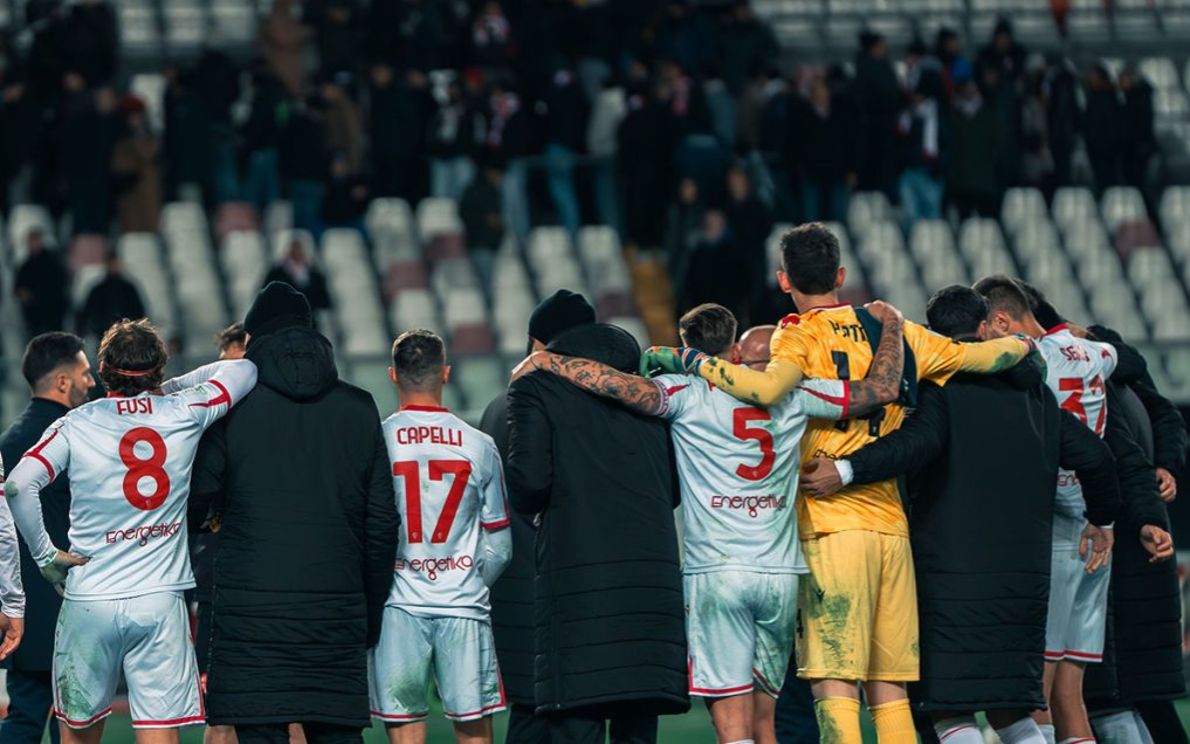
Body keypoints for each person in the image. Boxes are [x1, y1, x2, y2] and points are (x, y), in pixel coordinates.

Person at [641, 223, 1033, 743]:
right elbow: (987, 356)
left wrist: (687, 359)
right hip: (890, 528)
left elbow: (766, 389)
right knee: (890, 691)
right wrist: (1027, 342)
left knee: (836, 688)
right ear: (841, 275)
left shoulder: (795, 335)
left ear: (784, 280)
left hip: (828, 526)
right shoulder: (902, 333)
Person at [515, 302, 907, 744]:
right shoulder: (798, 393)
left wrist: (547, 361)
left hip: (717, 574)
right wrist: (892, 324)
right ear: (735, 351)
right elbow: (882, 389)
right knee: (765, 724)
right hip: (780, 573)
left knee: (731, 728)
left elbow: (617, 385)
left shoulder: (682, 393)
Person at [800, 286, 1126, 744]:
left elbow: (915, 444)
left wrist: (847, 469)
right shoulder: (1035, 395)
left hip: (952, 575)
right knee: (1012, 712)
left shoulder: (941, 388)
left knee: (948, 711)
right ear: (984, 328)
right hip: (1024, 579)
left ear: (935, 336)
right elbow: (1096, 457)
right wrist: (1102, 519)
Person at [4, 319, 258, 739]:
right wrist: (166, 387)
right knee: (159, 731)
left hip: (91, 598)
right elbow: (244, 368)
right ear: (158, 369)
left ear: (104, 371)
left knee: (78, 732)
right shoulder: (184, 410)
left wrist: (46, 555)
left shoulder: (77, 423)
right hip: (159, 600)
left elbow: (18, 485)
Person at [190, 282, 399, 744]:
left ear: (252, 340)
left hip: (251, 625)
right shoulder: (359, 407)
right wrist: (368, 609)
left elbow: (198, 503)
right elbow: (383, 522)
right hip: (336, 617)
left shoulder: (232, 411)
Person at [507, 320, 689, 744]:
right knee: (638, 726)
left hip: (577, 584)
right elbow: (673, 489)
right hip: (651, 586)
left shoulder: (536, 389)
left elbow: (528, 484)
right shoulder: (656, 397)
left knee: (577, 722)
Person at [972, 276, 1119, 744]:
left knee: (1035, 689)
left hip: (1051, 532)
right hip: (1095, 529)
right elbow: (1121, 356)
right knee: (1070, 694)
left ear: (1000, 321)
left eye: (983, 328)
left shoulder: (1023, 363)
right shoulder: (1093, 354)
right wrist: (1083, 333)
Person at [371, 330, 512, 743]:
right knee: (473, 726)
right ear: (446, 373)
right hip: (462, 603)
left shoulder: (377, 441)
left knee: (406, 726)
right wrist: (465, 579)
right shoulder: (479, 444)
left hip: (398, 604)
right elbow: (500, 545)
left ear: (393, 375)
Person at [478, 290, 597, 744]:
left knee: (528, 720)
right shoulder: (587, 406)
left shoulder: (498, 407)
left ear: (535, 341)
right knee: (579, 721)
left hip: (515, 590)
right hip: (573, 591)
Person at [0, 333, 94, 744]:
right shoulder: (80, 439)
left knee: (23, 718)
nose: (91, 382)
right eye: (85, 373)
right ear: (62, 381)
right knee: (74, 725)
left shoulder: (8, 443)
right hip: (73, 605)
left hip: (23, 611)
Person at [76, 254, 147, 341]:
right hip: (103, 333)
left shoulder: (129, 289)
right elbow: (86, 312)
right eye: (112, 264)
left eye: (116, 264)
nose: (114, 267)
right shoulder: (98, 290)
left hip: (126, 334)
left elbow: (139, 311)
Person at [14, 229, 68, 339]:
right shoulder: (26, 265)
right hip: (34, 313)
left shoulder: (53, 261)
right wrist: (25, 294)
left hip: (53, 309)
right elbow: (18, 288)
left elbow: (60, 283)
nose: (34, 244)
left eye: (36, 240)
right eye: (31, 241)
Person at [263, 236, 332, 312]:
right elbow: (267, 295)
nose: (297, 252)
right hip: (284, 313)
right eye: (294, 248)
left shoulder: (314, 273)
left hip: (308, 314)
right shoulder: (277, 273)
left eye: (299, 249)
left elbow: (324, 300)